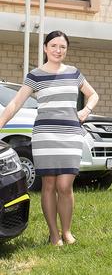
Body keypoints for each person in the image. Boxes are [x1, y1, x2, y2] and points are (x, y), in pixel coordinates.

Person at [0, 30, 99, 246]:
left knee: (65, 185)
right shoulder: (35, 75)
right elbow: (15, 103)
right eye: (53, 45)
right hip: (45, 136)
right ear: (45, 48)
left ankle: (67, 231)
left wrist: (86, 111)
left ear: (66, 50)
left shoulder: (74, 73)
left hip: (70, 135)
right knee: (49, 184)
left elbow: (93, 94)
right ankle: (54, 235)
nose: (58, 50)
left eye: (62, 47)